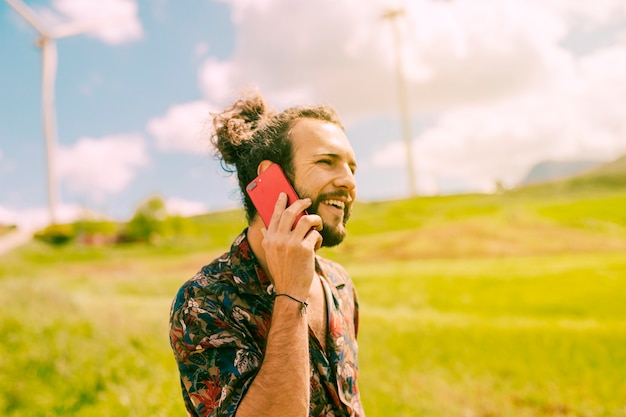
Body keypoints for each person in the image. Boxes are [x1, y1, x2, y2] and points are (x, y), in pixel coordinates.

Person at [169, 90, 365, 417]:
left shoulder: (339, 283)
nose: (349, 181)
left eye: (352, 168)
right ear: (271, 179)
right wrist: (290, 297)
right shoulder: (204, 300)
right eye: (326, 162)